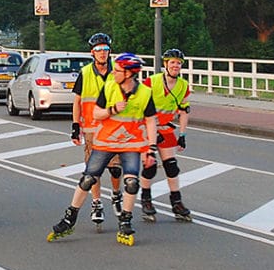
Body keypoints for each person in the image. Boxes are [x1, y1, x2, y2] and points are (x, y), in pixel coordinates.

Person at [49, 53, 158, 246]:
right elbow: (96, 113)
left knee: (131, 183)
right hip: (106, 141)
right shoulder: (109, 87)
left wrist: (151, 148)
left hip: (131, 143)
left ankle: (125, 220)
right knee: (88, 178)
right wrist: (112, 110)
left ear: (129, 74)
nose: (113, 73)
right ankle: (70, 217)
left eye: (117, 70)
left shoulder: (144, 93)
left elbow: (150, 120)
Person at [70, 32, 122, 227]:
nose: (102, 53)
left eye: (105, 50)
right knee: (95, 171)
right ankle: (96, 203)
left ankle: (116, 195)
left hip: (113, 128)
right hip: (92, 129)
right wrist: (76, 125)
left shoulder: (117, 72)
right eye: (99, 50)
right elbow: (77, 101)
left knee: (116, 169)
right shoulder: (85, 73)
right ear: (92, 52)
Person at [137, 48, 193, 222]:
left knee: (172, 166)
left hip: (166, 128)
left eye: (178, 63)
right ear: (165, 65)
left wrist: (182, 134)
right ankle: (146, 200)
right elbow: (139, 105)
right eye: (172, 63)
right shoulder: (151, 82)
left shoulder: (183, 85)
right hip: (148, 127)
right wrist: (148, 131)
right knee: (150, 165)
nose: (176, 66)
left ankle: (176, 201)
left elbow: (184, 111)